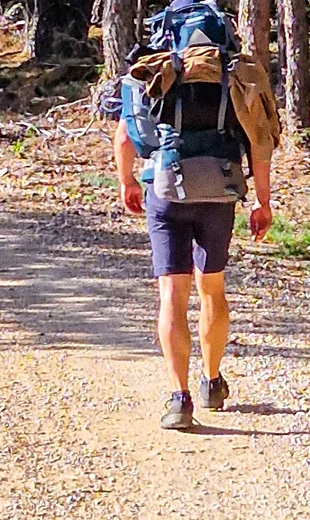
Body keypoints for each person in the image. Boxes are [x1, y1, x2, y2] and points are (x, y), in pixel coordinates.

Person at [113, 66, 273, 431]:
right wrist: (262, 202)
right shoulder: (232, 74)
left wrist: (128, 182)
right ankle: (212, 381)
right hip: (220, 192)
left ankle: (179, 398)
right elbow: (259, 144)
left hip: (166, 192)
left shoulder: (155, 70)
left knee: (172, 294)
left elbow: (125, 136)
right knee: (212, 288)